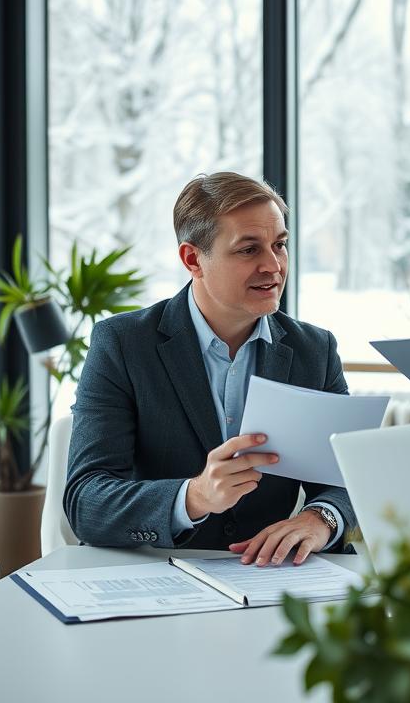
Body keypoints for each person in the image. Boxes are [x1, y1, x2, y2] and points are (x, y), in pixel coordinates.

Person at [64, 172, 355, 567]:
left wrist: (321, 518)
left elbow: (348, 479)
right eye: (248, 250)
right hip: (156, 574)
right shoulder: (122, 344)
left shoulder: (314, 351)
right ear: (192, 259)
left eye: (280, 245)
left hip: (270, 579)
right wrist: (194, 496)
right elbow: (86, 501)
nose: (273, 266)